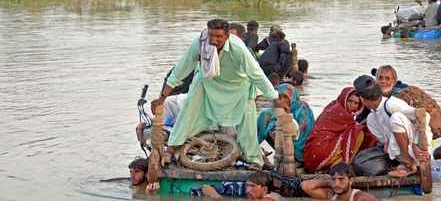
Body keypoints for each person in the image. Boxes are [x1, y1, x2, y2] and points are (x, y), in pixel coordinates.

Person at [151, 19, 278, 169]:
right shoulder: (200, 42)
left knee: (247, 122)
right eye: (211, 35)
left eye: (219, 37)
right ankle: (171, 149)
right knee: (189, 108)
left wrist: (274, 98)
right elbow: (181, 69)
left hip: (237, 86)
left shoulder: (238, 48)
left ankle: (255, 160)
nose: (214, 40)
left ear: (227, 36)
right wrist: (162, 98)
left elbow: (257, 75)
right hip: (207, 81)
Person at [354, 75, 432, 177]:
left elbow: (423, 115)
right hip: (401, 152)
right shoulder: (371, 119)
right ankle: (404, 164)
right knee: (362, 160)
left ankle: (409, 164)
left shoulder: (391, 104)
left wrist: (417, 145)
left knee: (396, 118)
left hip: (418, 148)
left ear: (362, 99)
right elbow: (387, 143)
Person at [303, 87, 378, 173]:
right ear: (344, 99)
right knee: (358, 133)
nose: (352, 105)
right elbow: (352, 129)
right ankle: (342, 165)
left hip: (311, 153)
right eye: (350, 101)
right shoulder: (339, 111)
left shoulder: (333, 106)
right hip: (320, 151)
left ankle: (335, 165)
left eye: (356, 103)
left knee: (355, 131)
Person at [257, 83, 314, 164]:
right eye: (279, 97)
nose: (282, 100)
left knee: (281, 129)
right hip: (281, 144)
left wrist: (286, 115)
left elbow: (300, 136)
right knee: (264, 115)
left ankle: (291, 160)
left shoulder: (302, 110)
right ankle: (253, 150)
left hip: (299, 149)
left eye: (285, 97)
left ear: (292, 97)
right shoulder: (274, 110)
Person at [301, 162, 377, 200]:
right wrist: (329, 182)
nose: (337, 183)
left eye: (341, 179)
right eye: (334, 179)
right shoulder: (331, 195)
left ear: (350, 181)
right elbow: (305, 186)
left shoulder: (361, 198)